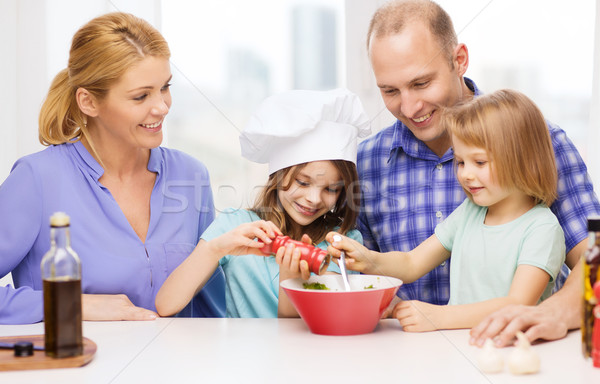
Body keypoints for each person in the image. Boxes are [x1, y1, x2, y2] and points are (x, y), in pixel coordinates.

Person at [357, 0, 600, 311]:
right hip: (406, 351)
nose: (408, 108)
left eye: (421, 83)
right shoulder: (364, 163)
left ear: (459, 60)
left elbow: (594, 261)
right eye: (390, 91)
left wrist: (555, 316)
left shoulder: (539, 142)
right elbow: (364, 279)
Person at [0, 12, 225, 324]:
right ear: (89, 102)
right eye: (141, 96)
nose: (161, 106)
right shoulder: (36, 180)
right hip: (75, 371)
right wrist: (75, 305)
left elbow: (212, 310)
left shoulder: (190, 174)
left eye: (165, 87)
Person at [328, 89, 565, 331]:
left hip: (511, 352)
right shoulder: (470, 212)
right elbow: (411, 263)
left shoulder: (542, 229)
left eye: (480, 162)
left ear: (523, 160)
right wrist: (370, 260)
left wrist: (439, 317)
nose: (465, 174)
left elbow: (517, 304)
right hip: (461, 347)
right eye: (460, 162)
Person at [155, 88, 370, 318]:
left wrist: (291, 278)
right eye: (303, 182)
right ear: (278, 175)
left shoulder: (340, 242)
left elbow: (309, 331)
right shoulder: (235, 225)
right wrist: (216, 248)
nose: (314, 199)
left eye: (331, 189)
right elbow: (167, 305)